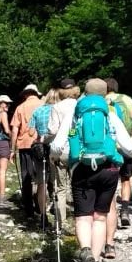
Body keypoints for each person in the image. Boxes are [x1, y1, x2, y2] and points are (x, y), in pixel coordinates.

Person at [51, 77, 132, 262]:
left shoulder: (76, 113)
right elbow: (129, 147)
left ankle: (85, 250)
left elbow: (57, 145)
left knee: (83, 217)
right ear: (105, 94)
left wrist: (54, 157)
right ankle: (96, 259)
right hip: (108, 170)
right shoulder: (110, 113)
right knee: (100, 217)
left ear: (85, 92)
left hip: (82, 169)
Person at [48, 78, 80, 230]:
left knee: (60, 188)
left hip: (60, 151)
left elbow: (53, 130)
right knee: (77, 187)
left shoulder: (56, 107)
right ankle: (80, 220)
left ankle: (59, 223)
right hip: (77, 151)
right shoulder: (80, 105)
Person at [106, 78, 132, 227]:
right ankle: (124, 210)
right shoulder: (127, 99)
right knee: (125, 178)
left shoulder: (102, 100)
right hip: (126, 145)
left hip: (110, 146)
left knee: (110, 179)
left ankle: (110, 211)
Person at [10, 83, 42, 218]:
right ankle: (41, 205)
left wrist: (12, 149)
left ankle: (28, 208)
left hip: (25, 144)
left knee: (26, 175)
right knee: (42, 175)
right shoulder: (43, 105)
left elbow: (15, 129)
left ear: (25, 94)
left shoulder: (20, 107)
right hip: (41, 144)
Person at [29, 88, 58, 223]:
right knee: (57, 180)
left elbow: (30, 132)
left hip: (40, 147)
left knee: (42, 182)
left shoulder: (38, 111)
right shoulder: (58, 110)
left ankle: (42, 215)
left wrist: (40, 133)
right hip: (56, 147)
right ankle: (57, 209)